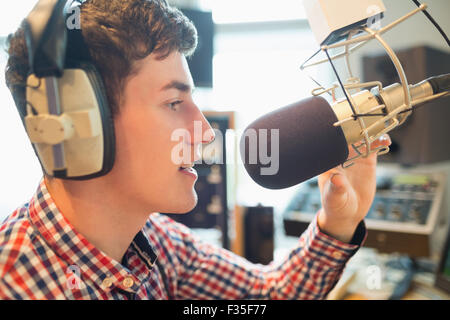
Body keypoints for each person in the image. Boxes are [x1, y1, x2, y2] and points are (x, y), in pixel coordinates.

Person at [0, 0, 391, 300]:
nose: (206, 134)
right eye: (174, 103)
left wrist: (339, 220)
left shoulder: (159, 243)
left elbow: (265, 296)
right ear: (79, 125)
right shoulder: (12, 282)